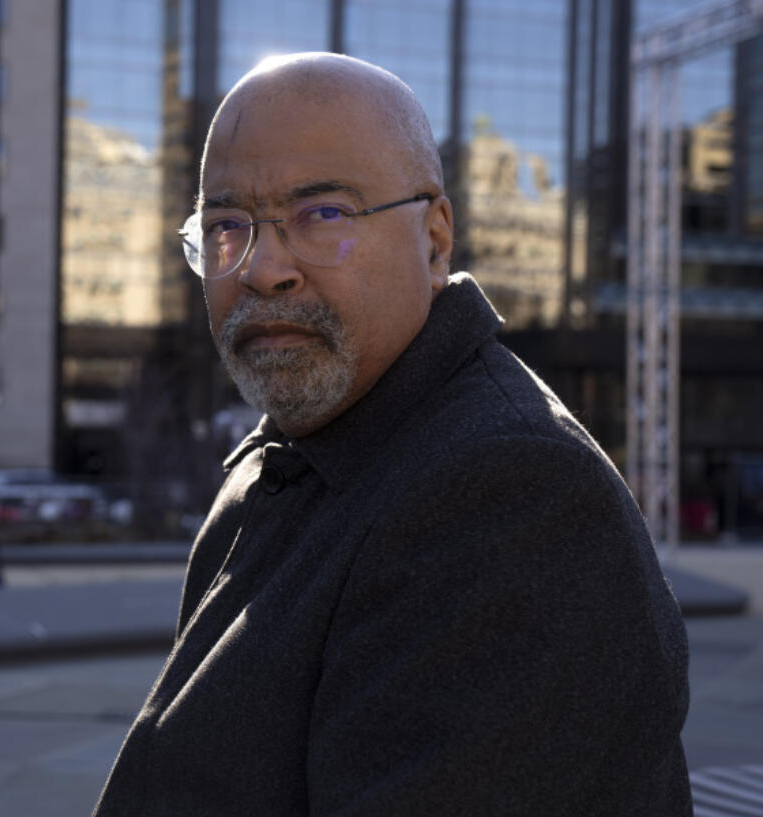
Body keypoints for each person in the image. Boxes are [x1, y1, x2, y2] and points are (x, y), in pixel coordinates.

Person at [92, 53, 691, 816]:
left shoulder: (512, 498)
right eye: (226, 226)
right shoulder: (294, 453)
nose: (262, 267)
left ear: (436, 242)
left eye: (324, 214)